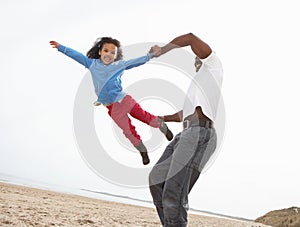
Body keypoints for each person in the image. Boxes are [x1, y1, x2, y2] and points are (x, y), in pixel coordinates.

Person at [49, 37, 173, 165]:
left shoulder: (119, 65)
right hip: (112, 108)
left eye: (112, 52)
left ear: (115, 55)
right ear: (100, 52)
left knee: (143, 116)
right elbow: (77, 55)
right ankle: (142, 150)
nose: (108, 54)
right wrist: (60, 47)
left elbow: (136, 61)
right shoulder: (92, 64)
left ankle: (161, 125)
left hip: (125, 100)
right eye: (106, 51)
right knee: (127, 130)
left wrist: (150, 55)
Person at [149, 33, 223, 226]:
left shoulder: (214, 66)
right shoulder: (198, 84)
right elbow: (185, 114)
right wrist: (163, 118)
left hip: (200, 134)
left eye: (199, 56)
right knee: (156, 179)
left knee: (173, 190)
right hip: (186, 135)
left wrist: (162, 50)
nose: (196, 59)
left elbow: (190, 38)